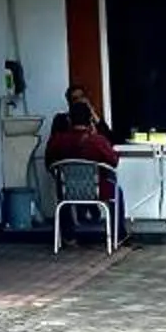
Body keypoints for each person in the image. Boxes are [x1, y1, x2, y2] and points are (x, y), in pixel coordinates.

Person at [43, 89, 124, 241]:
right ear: (89, 120)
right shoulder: (97, 141)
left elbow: (49, 162)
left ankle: (68, 236)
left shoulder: (58, 140)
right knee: (116, 191)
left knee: (61, 190)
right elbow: (113, 161)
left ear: (70, 120)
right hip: (97, 190)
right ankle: (117, 235)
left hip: (68, 189)